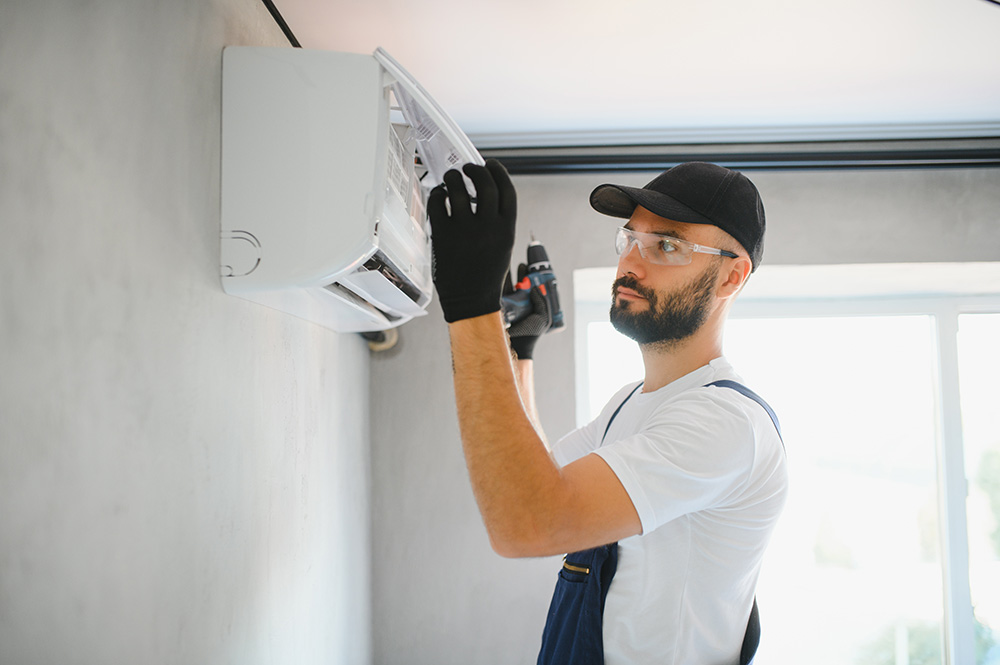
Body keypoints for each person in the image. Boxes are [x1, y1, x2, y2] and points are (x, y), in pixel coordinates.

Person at [427, 160, 788, 665]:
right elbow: (532, 482)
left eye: (666, 245)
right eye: (630, 239)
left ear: (732, 276)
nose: (631, 264)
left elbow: (526, 524)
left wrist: (471, 306)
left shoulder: (724, 423)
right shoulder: (631, 402)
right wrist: (520, 347)